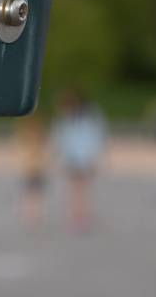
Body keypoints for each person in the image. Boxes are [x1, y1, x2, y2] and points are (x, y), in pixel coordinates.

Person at [52, 91, 106, 232]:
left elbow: (94, 140)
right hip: (74, 159)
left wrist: (94, 159)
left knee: (81, 190)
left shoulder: (86, 121)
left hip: (83, 159)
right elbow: (62, 142)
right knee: (77, 190)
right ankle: (78, 217)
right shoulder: (68, 121)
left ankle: (81, 217)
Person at [16, 114, 49, 230]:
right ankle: (31, 216)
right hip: (31, 170)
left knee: (33, 194)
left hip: (34, 170)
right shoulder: (30, 139)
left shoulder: (35, 140)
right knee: (31, 194)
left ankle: (32, 216)